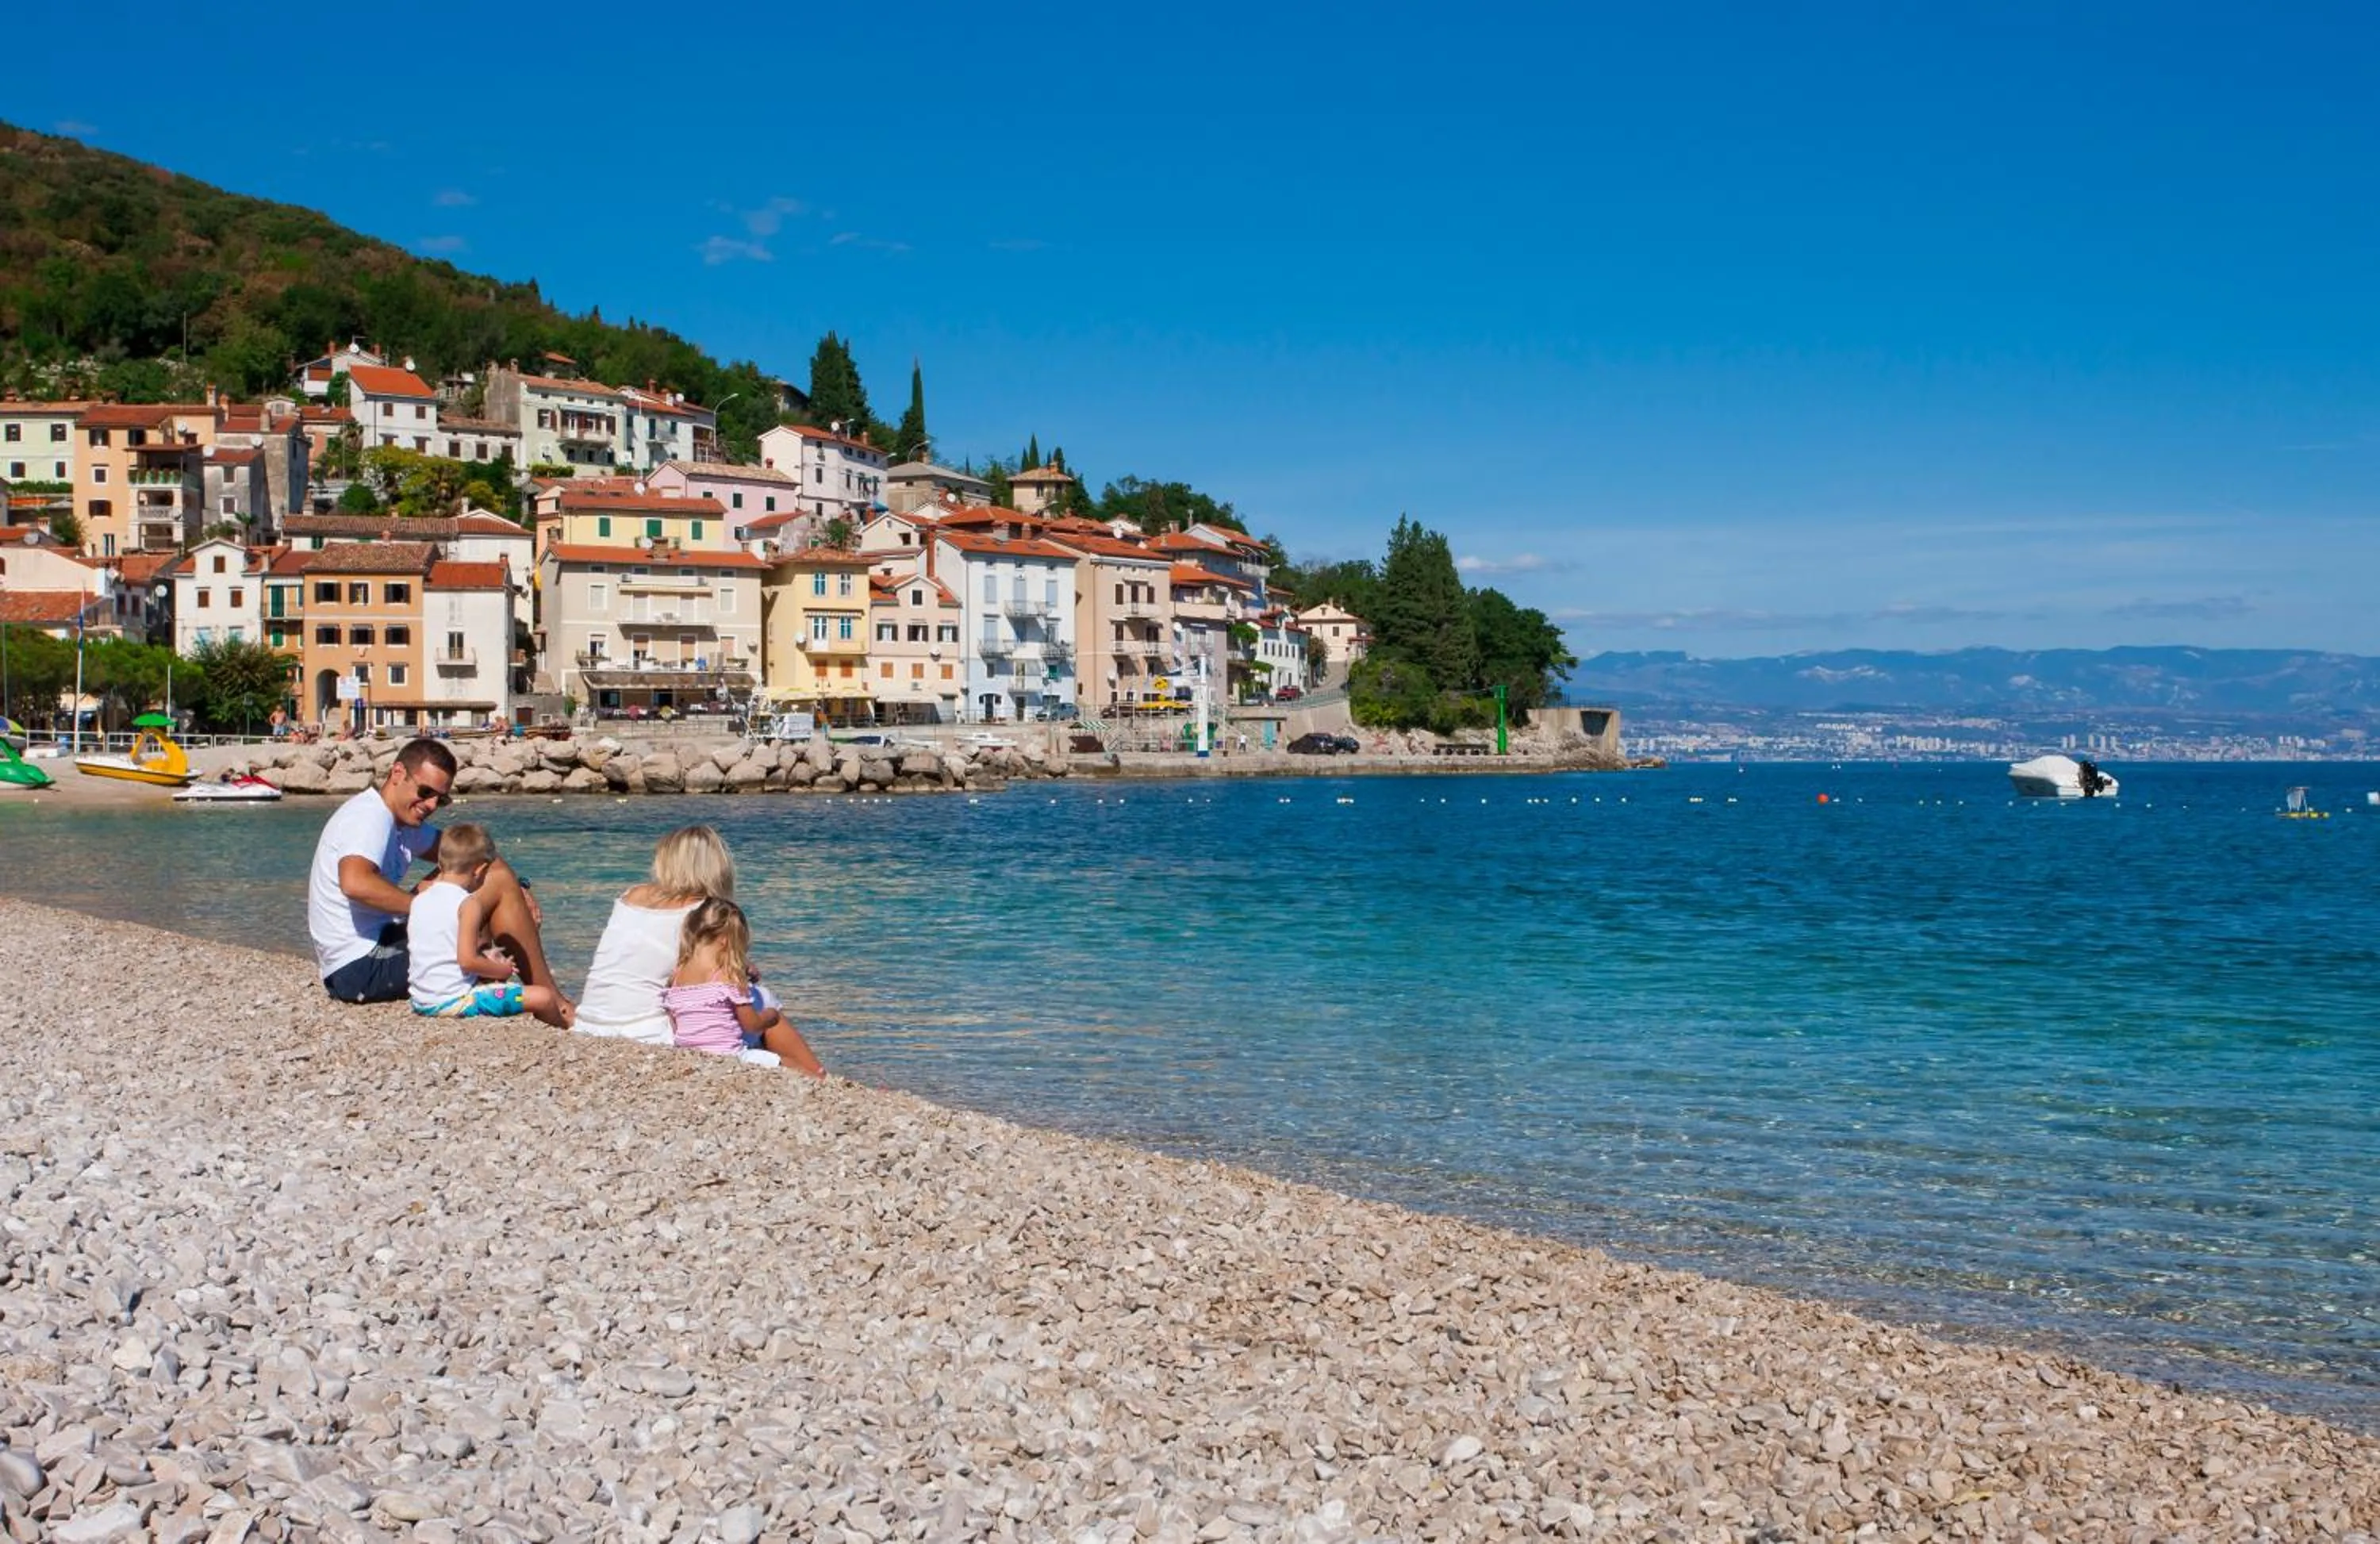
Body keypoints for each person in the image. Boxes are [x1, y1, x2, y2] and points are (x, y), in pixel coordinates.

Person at [307, 737, 559, 1006]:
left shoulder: (402, 823)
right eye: (425, 792)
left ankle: (499, 985)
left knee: (471, 873)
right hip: (359, 968)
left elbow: (478, 856)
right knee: (482, 887)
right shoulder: (370, 817)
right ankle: (554, 1002)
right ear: (398, 773)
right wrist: (428, 908)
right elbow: (355, 883)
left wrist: (519, 886)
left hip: (371, 949)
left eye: (441, 800)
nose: (430, 806)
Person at [573, 825, 739, 1045]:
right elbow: (721, 978)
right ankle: (798, 1069)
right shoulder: (708, 913)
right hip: (645, 1032)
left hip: (586, 1022)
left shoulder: (632, 895)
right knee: (758, 1000)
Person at [405, 822, 571, 1026]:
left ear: (440, 865)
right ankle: (561, 1026)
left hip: (421, 1000)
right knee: (542, 997)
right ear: (481, 870)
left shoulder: (420, 901)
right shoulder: (469, 904)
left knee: (497, 981)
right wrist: (503, 971)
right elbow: (467, 961)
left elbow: (441, 951)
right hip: (455, 1001)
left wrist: (487, 960)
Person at [664, 897, 826, 1077]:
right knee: (796, 1067)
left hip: (693, 1057)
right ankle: (822, 1081)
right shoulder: (727, 975)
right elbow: (751, 1025)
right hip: (731, 1057)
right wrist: (770, 1016)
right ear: (725, 940)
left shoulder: (677, 976)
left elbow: (676, 1022)